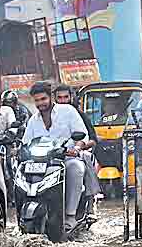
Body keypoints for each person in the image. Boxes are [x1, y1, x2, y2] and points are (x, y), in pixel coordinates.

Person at [23, 81, 97, 230]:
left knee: (76, 168)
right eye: (37, 100)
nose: (40, 103)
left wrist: (76, 148)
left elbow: (83, 136)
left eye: (43, 99)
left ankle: (70, 215)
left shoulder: (68, 111)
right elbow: (26, 142)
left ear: (50, 97)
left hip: (66, 158)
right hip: (41, 162)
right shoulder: (32, 121)